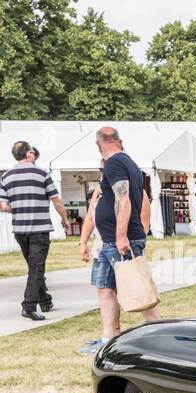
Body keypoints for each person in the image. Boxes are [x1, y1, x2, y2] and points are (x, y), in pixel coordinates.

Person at [78, 127, 160, 354]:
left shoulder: (114, 163)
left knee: (138, 289)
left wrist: (121, 235)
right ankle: (108, 339)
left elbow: (123, 199)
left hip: (120, 239)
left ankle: (160, 336)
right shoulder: (125, 162)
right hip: (107, 241)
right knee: (104, 288)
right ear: (119, 141)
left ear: (98, 144)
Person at [0, 140, 70, 321]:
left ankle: (45, 301)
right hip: (39, 228)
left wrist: (20, 206)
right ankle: (28, 306)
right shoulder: (42, 174)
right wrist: (65, 219)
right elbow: (56, 201)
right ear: (29, 154)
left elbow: (3, 205)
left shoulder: (6, 176)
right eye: (32, 151)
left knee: (34, 267)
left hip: (19, 230)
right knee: (37, 267)